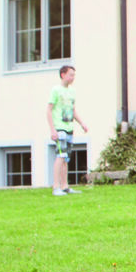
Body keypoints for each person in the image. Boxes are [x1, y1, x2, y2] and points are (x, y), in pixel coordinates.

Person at [47, 65, 89, 196]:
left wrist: (82, 123)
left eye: (74, 75)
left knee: (66, 158)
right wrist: (53, 130)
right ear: (63, 75)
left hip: (69, 128)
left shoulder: (72, 92)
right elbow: (48, 110)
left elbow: (72, 110)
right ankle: (56, 187)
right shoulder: (55, 90)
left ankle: (65, 186)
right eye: (70, 75)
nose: (72, 78)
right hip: (60, 128)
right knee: (60, 156)